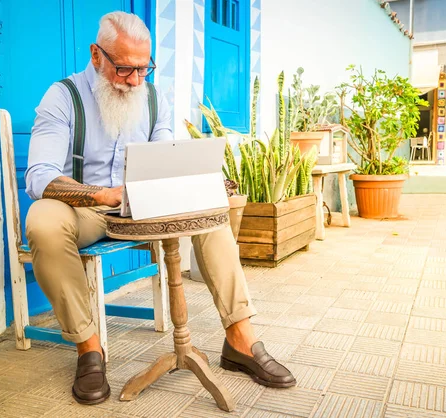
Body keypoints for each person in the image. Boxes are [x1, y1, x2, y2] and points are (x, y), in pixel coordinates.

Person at [24, 11, 296, 405]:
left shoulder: (154, 98)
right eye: (123, 69)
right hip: (84, 210)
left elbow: (168, 161)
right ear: (96, 56)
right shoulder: (62, 97)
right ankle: (89, 349)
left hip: (144, 208)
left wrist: (198, 182)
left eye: (143, 69)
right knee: (42, 221)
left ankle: (240, 338)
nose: (135, 80)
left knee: (211, 211)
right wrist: (103, 195)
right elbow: (40, 177)